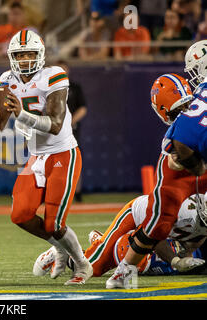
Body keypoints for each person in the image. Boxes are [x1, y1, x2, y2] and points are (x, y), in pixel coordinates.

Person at [0, 29, 93, 285]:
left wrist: (21, 114)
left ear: (41, 55)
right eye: (19, 54)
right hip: (35, 157)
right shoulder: (6, 79)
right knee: (20, 214)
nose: (24, 59)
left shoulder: (54, 75)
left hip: (62, 153)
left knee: (54, 223)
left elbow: (55, 124)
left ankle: (82, 264)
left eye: (29, 54)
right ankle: (57, 248)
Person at [105, 64, 207, 289]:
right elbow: (176, 151)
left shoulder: (199, 95)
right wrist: (196, 166)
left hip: (190, 157)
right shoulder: (181, 130)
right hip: (180, 166)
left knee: (160, 224)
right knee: (158, 224)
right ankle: (124, 269)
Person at [36, 192, 206, 279]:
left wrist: (186, 254)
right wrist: (175, 261)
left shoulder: (199, 221)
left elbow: (194, 240)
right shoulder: (183, 211)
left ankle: (101, 242)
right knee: (92, 268)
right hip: (137, 215)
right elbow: (151, 236)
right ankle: (64, 252)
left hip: (157, 231)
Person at [55, 60, 87, 202]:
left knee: (74, 160)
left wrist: (70, 121)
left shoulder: (74, 87)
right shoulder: (50, 88)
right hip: (53, 131)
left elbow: (83, 108)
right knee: (52, 161)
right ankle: (52, 193)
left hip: (71, 131)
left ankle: (77, 192)